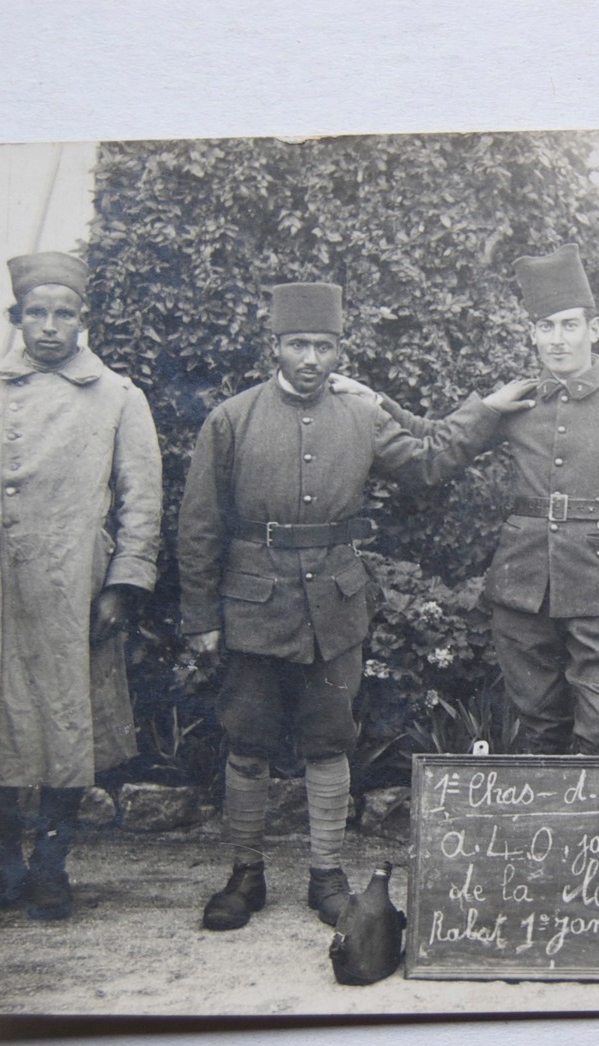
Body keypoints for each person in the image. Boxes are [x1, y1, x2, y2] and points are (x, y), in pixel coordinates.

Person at [179, 282, 537, 932]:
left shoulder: (362, 415)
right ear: (275, 347)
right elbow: (200, 523)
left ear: (339, 347)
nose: (311, 358)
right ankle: (244, 871)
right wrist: (200, 617)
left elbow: (428, 461)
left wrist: (485, 410)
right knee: (248, 740)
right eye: (297, 344)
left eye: (323, 344)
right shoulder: (231, 420)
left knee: (327, 740)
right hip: (254, 602)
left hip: (334, 606)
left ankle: (326, 872)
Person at [368, 244, 599, 756]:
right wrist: (377, 404)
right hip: (523, 584)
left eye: (568, 325)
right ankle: (548, 835)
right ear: (532, 334)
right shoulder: (518, 400)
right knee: (538, 725)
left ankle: (596, 836)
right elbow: (436, 446)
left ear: (594, 330)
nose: (557, 340)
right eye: (545, 327)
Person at [0, 251, 163, 921]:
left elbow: (140, 499)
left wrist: (123, 581)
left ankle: (52, 865)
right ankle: (0, 864)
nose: (50, 326)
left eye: (64, 313)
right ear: (17, 317)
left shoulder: (118, 396)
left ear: (81, 320)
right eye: (37, 312)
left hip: (73, 584)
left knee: (68, 725)